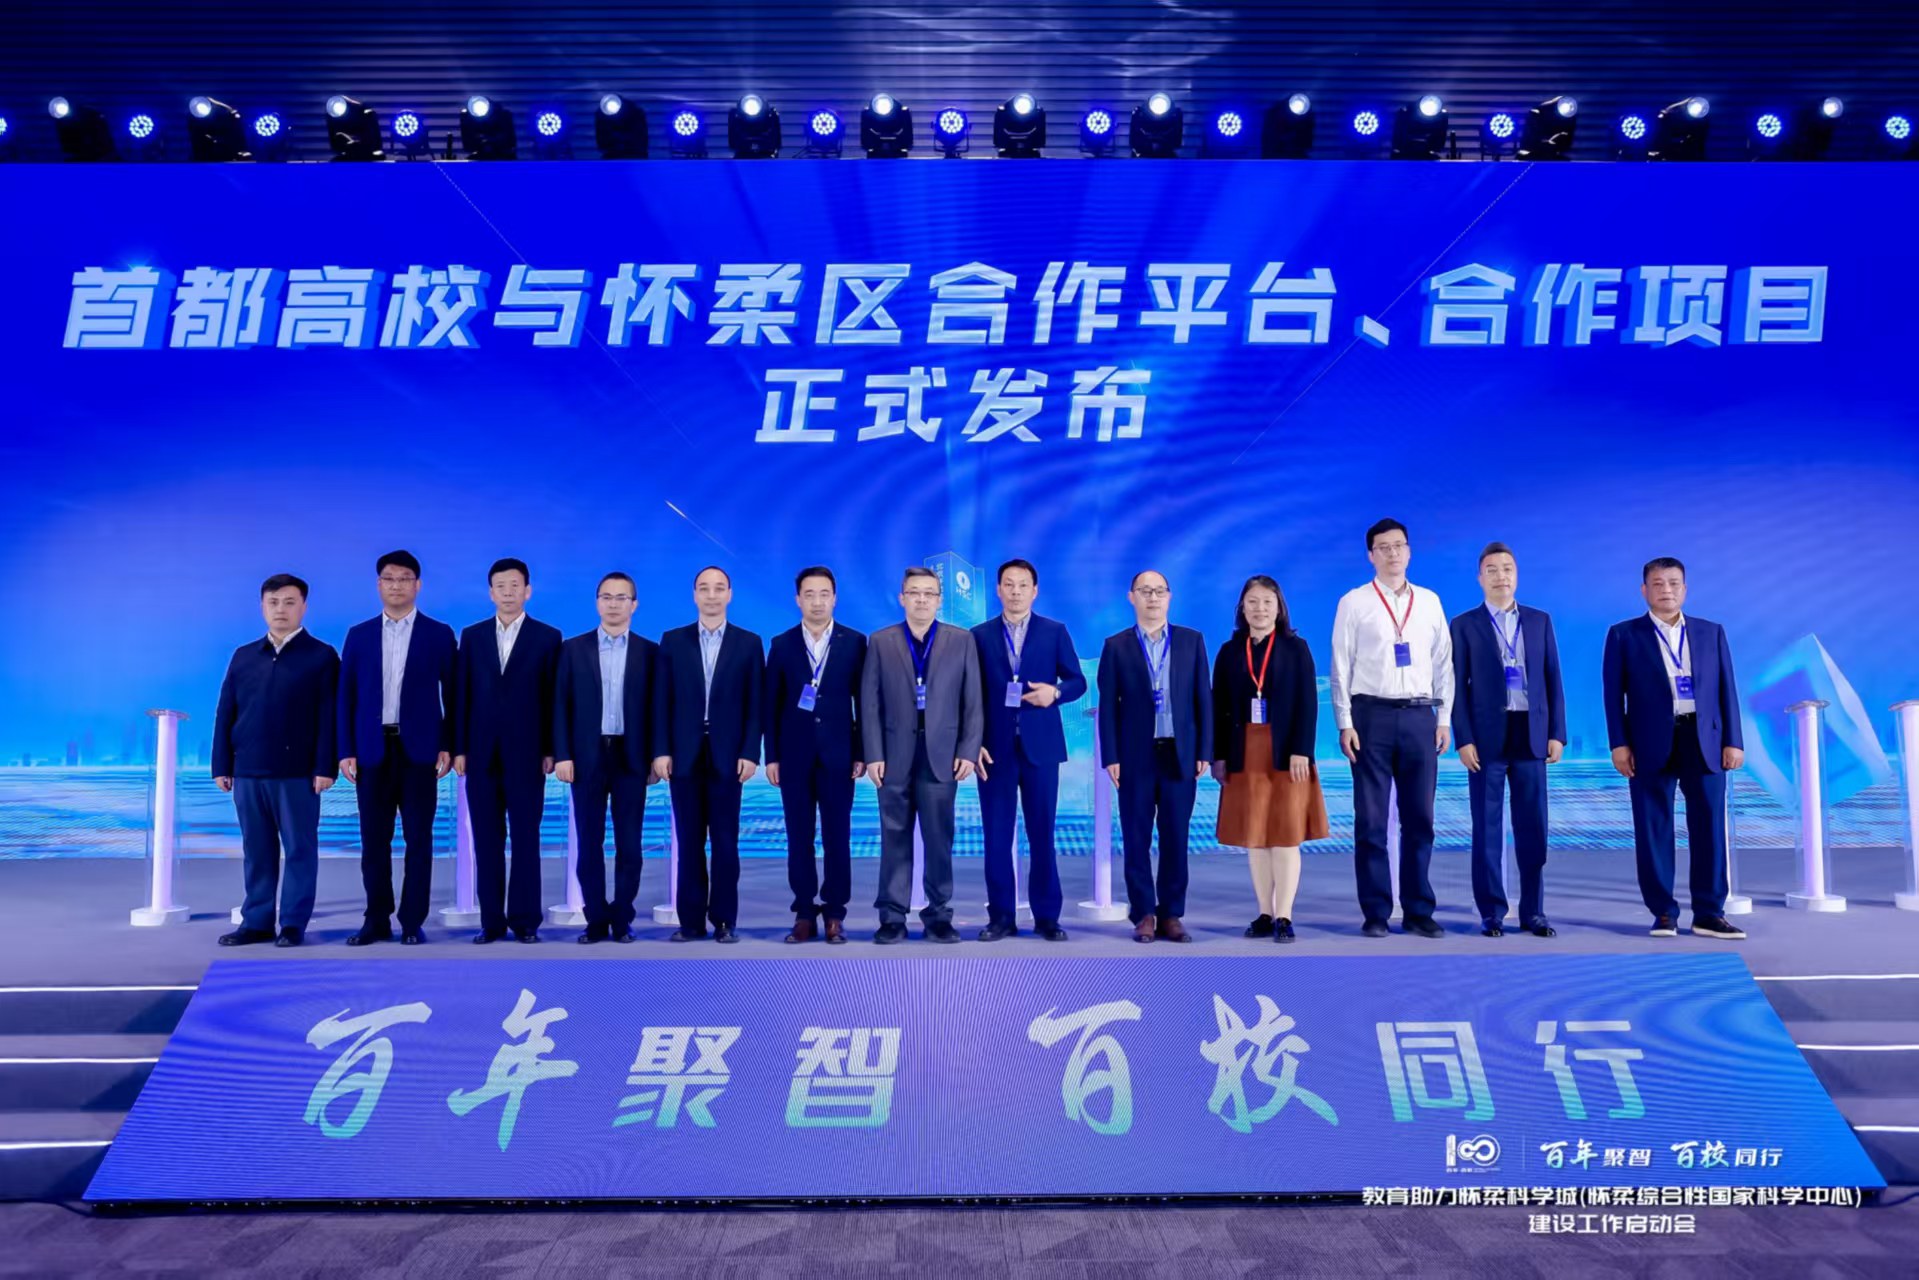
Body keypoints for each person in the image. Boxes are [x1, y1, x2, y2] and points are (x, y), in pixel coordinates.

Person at [1603, 556, 1748, 940]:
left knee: (1710, 827)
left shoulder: (1710, 632)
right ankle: (1664, 912)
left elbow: (1727, 690)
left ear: (1685, 588)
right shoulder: (1623, 635)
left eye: (1673, 583)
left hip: (1704, 740)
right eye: (1657, 583)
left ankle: (1709, 913)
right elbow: (1612, 696)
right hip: (1648, 743)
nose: (1666, 590)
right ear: (1644, 590)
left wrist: (1733, 740)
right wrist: (1619, 744)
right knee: (1653, 828)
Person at [1329, 519, 1453, 939]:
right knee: (1371, 821)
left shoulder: (1430, 602)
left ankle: (1418, 910)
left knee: (1420, 819)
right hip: (1371, 718)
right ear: (1371, 555)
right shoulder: (1354, 602)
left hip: (1420, 717)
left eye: (1399, 545)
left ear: (1409, 551)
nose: (1392, 553)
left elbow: (1444, 664)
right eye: (1383, 547)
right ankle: (1377, 912)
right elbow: (1340, 667)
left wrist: (1443, 718)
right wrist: (1345, 722)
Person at [212, 573, 339, 948]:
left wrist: (325, 767)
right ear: (262, 607)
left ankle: (293, 924)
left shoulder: (322, 656)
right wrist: (221, 765)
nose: (280, 609)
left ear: (303, 607)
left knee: (300, 850)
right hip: (248, 771)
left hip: (298, 774)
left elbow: (329, 716)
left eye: (289, 602)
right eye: (273, 602)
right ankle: (256, 922)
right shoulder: (243, 655)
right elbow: (226, 712)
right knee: (256, 851)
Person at [336, 550, 455, 946]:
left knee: (419, 840)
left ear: (417, 585)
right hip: (371, 751)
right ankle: (376, 919)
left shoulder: (438, 634)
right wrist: (345, 749)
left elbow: (454, 696)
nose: (397, 585)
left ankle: (412, 921)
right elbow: (346, 696)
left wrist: (448, 744)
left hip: (420, 753)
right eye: (389, 578)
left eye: (405, 578)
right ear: (378, 585)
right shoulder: (359, 635)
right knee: (374, 842)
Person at [1450, 542, 1566, 939]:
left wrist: (1557, 732)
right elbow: (1456, 687)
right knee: (1487, 828)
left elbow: (1553, 679)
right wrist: (1463, 738)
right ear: (1480, 578)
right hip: (1486, 741)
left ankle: (1534, 911)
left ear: (1517, 575)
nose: (1501, 576)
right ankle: (1492, 912)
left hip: (1532, 735)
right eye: (1492, 570)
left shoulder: (1539, 620)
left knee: (1533, 827)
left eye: (1508, 569)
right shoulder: (1464, 624)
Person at [861, 567, 984, 944]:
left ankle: (939, 915)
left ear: (939, 600)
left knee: (939, 839)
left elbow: (973, 701)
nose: (921, 599)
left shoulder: (961, 640)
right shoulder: (881, 641)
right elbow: (869, 703)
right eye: (914, 592)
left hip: (942, 756)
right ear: (902, 598)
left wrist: (968, 750)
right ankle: (892, 916)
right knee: (893, 837)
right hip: (893, 755)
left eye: (929, 593)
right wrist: (873, 754)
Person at [971, 558, 1086, 942]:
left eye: (1023, 585)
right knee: (996, 838)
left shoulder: (1054, 631)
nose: (1016, 591)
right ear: (998, 590)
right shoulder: (979, 636)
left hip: (1042, 749)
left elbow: (1077, 681)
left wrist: (1056, 693)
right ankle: (1001, 917)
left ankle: (1047, 917)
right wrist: (973, 743)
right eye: (1009, 584)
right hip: (994, 751)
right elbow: (969, 695)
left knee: (1042, 835)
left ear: (1035, 591)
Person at [1097, 570, 1212, 943]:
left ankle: (1171, 913)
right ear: (1131, 597)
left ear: (1169, 596)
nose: (1153, 597)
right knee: (1136, 837)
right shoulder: (1116, 646)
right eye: (1145, 591)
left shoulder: (1191, 641)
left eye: (1159, 591)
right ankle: (1144, 913)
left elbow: (1203, 699)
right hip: (1135, 756)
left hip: (1180, 754)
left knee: (1176, 837)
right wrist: (1111, 755)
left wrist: (1205, 750)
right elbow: (1108, 706)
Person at [1211, 575, 1327, 945]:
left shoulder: (1296, 648)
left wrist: (1302, 750)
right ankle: (1264, 912)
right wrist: (1218, 755)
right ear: (1242, 608)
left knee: (1285, 835)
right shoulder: (1229, 651)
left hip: (1287, 753)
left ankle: (1284, 915)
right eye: (1253, 602)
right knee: (1256, 836)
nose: (1260, 609)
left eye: (1267, 602)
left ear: (1279, 608)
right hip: (1244, 752)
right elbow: (1218, 707)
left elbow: (1308, 702)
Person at [453, 557, 562, 944]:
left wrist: (551, 748)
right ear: (490, 592)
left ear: (527, 591)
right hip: (480, 754)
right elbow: (461, 696)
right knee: (487, 840)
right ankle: (492, 922)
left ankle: (525, 921)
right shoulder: (472, 636)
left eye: (515, 585)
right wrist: (459, 748)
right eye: (501, 586)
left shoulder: (547, 637)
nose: (508, 592)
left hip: (528, 755)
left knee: (526, 839)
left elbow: (553, 699)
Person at [654, 566, 763, 944]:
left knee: (726, 843)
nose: (711, 595)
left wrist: (750, 752)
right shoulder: (673, 640)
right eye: (704, 588)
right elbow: (661, 701)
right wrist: (661, 750)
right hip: (683, 756)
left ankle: (724, 920)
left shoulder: (749, 643)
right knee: (689, 842)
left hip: (728, 757)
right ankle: (691, 921)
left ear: (729, 594)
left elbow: (755, 704)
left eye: (719, 589)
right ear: (694, 595)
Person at [553, 572, 660, 943]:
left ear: (634, 605)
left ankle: (622, 918)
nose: (613, 604)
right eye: (606, 597)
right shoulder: (572, 649)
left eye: (621, 598)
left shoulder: (650, 652)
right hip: (586, 758)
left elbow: (657, 709)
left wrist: (655, 756)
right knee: (589, 843)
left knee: (630, 845)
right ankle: (596, 918)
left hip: (632, 759)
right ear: (597, 602)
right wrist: (562, 755)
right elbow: (560, 706)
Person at [764, 566, 866, 944]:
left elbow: (864, 702)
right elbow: (770, 705)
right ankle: (804, 912)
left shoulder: (854, 642)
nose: (817, 601)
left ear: (834, 598)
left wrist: (862, 751)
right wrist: (771, 756)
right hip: (794, 756)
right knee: (799, 837)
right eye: (809, 594)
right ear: (798, 600)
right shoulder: (782, 644)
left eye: (824, 594)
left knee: (838, 836)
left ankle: (835, 912)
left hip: (840, 756)